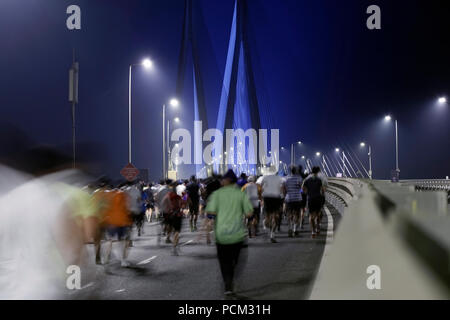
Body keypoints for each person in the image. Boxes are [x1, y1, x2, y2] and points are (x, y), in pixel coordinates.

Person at [206, 170, 254, 298]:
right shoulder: (240, 194)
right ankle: (230, 280)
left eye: (223, 179)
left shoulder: (216, 194)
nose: (221, 181)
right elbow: (249, 213)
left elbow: (210, 213)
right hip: (237, 235)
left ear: (226, 181)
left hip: (221, 236)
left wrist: (206, 232)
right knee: (234, 261)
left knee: (224, 262)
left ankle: (228, 284)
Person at [103, 185, 133, 267]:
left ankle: (106, 258)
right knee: (124, 241)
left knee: (110, 240)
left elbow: (105, 208)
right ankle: (123, 261)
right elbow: (127, 208)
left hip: (110, 221)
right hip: (122, 221)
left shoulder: (108, 195)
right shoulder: (123, 194)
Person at [258, 172, 285, 243]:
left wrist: (261, 197)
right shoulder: (279, 178)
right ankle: (271, 231)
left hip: (269, 198)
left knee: (273, 216)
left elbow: (259, 186)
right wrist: (283, 196)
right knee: (274, 217)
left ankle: (272, 233)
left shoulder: (265, 177)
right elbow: (282, 188)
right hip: (274, 198)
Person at [302, 167, 325, 238]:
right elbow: (322, 190)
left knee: (311, 216)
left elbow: (302, 188)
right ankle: (318, 227)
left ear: (311, 172)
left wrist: (307, 193)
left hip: (310, 199)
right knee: (318, 214)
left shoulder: (307, 180)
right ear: (317, 172)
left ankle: (313, 231)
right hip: (318, 199)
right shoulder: (319, 180)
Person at [161, 181, 183, 255]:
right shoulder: (179, 196)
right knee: (177, 231)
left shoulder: (167, 196)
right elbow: (184, 202)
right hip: (178, 215)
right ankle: (175, 246)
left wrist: (167, 209)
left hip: (170, 215)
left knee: (171, 229)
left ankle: (170, 240)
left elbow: (163, 203)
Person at [284, 166, 303, 237]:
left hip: (289, 199)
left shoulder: (286, 178)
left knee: (289, 214)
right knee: (297, 214)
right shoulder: (299, 178)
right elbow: (301, 188)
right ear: (296, 171)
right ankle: (295, 229)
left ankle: (290, 228)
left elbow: (284, 189)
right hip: (297, 198)